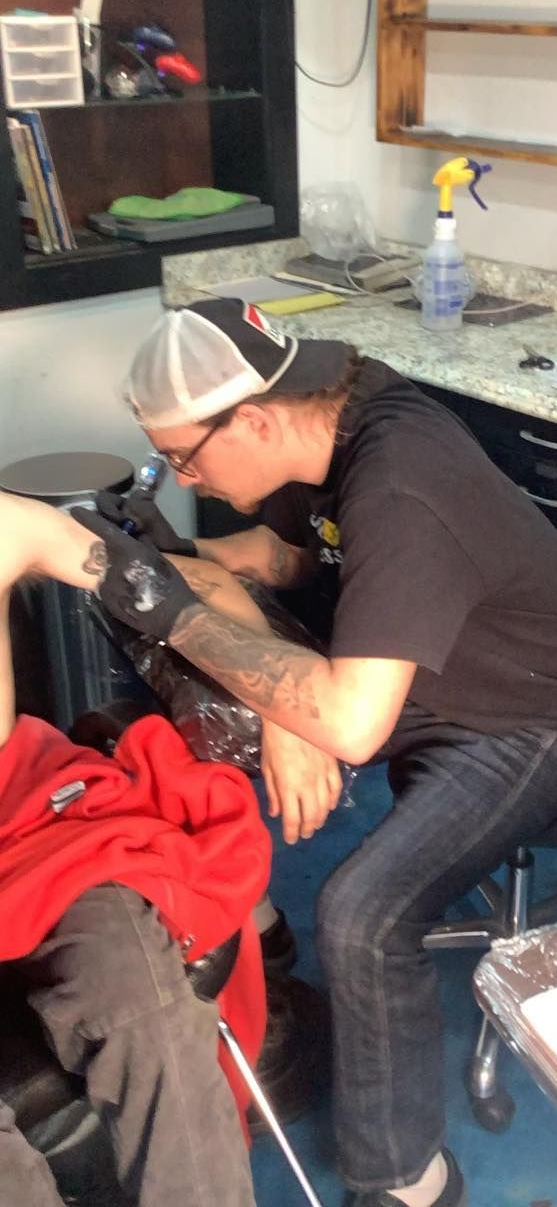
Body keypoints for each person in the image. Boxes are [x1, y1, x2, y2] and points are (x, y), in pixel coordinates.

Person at [75, 299, 557, 1207]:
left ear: (253, 418)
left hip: (526, 718)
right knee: (181, 710)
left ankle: (407, 1179)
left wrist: (176, 612)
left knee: (366, 912)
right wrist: (214, 573)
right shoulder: (345, 405)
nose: (187, 477)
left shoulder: (400, 478)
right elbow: (309, 559)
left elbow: (353, 723)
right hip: (419, 676)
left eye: (185, 457)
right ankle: (261, 942)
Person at [0, 491, 277, 1207]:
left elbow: (166, 589)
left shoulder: (6, 528)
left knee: (139, 997)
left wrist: (283, 705)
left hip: (31, 819)